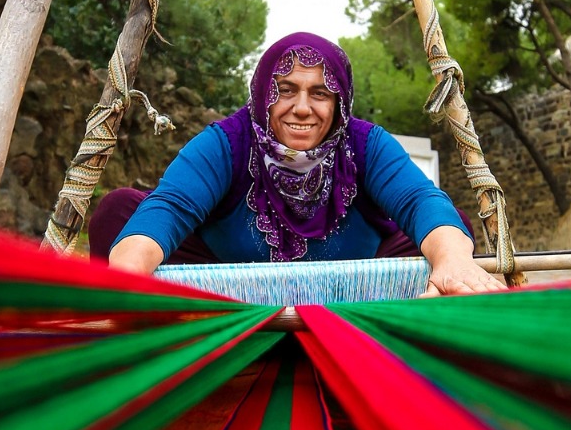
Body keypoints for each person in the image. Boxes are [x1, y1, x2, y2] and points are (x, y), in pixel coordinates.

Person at [91, 32, 505, 295]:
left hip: (352, 295)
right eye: (285, 90)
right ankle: (150, 331)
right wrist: (128, 274)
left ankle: (400, 334)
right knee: (120, 212)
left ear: (340, 100)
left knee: (448, 230)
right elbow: (171, 206)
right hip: (232, 299)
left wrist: (451, 262)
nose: (302, 108)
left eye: (320, 93)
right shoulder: (228, 142)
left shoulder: (364, 143)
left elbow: (418, 199)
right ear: (262, 94)